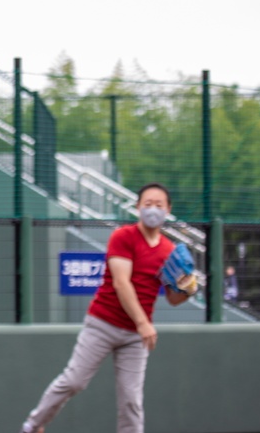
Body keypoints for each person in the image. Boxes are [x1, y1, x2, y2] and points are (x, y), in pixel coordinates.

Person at [18, 182, 195, 433]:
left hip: (134, 337)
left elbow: (173, 299)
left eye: (159, 205)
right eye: (147, 204)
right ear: (137, 207)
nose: (153, 209)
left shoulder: (169, 251)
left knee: (131, 401)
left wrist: (187, 288)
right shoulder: (123, 236)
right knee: (74, 381)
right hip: (102, 323)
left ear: (168, 209)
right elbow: (122, 283)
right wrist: (144, 323)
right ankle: (33, 425)